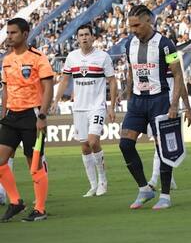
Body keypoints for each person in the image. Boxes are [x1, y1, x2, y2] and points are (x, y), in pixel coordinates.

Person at [119, 5, 191, 211]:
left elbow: (178, 75)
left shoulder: (165, 45)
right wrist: (128, 92)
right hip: (137, 102)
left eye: (137, 25)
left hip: (159, 100)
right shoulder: (128, 45)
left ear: (148, 22)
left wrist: (175, 104)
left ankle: (166, 195)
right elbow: (131, 71)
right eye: (130, 26)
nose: (133, 30)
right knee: (125, 144)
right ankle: (144, 188)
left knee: (163, 149)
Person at [49, 24, 118, 197]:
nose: (84, 37)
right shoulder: (72, 57)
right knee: (85, 147)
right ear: (77, 38)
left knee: (94, 141)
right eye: (81, 35)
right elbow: (64, 81)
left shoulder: (103, 57)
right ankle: (93, 185)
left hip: (97, 106)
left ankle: (103, 181)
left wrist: (111, 105)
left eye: (87, 34)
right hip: (79, 108)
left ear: (93, 37)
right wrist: (55, 100)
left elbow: (112, 81)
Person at [0, 18, 55, 222]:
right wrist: (3, 113)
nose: (9, 36)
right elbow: (6, 89)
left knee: (35, 166)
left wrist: (42, 115)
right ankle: (16, 202)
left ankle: (40, 209)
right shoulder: (6, 60)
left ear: (25, 34)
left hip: (32, 115)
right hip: (12, 116)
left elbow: (48, 87)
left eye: (13, 33)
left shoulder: (38, 58)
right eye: (8, 33)